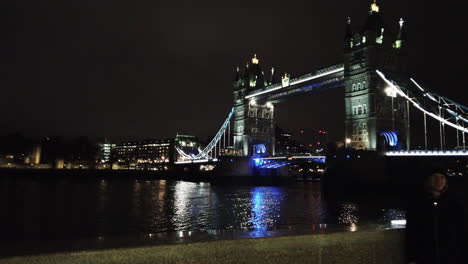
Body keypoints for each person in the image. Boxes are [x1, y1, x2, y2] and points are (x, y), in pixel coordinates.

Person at [406, 170, 466, 264]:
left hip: (452, 257)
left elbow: (462, 231)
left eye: (442, 177)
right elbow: (412, 232)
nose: (439, 181)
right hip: (426, 257)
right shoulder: (417, 204)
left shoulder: (454, 203)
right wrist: (412, 257)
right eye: (435, 177)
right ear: (427, 180)